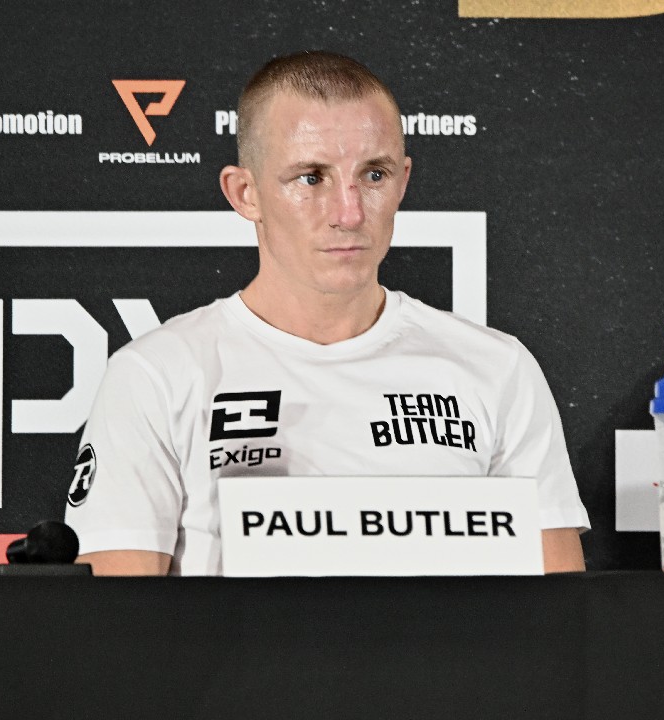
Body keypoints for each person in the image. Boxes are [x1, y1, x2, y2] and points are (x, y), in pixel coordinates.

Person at [65, 51, 589, 575]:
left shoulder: (496, 368)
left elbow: (557, 608)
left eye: (374, 174)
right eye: (311, 178)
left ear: (403, 181)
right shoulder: (157, 375)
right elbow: (119, 616)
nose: (349, 213)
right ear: (245, 194)